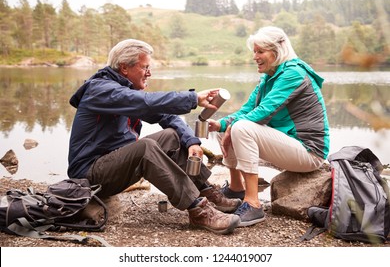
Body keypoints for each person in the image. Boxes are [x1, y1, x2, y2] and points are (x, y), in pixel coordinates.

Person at [67, 39, 241, 235]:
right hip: (89, 174)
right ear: (124, 67)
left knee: (172, 135)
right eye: (145, 67)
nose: (149, 73)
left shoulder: (124, 91)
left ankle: (206, 191)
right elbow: (147, 102)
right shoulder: (101, 90)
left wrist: (191, 141)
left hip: (116, 164)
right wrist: (193, 99)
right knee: (145, 147)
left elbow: (165, 115)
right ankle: (198, 210)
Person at [208, 26, 330, 227]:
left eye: (260, 51)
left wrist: (233, 126)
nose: (255, 57)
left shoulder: (294, 74)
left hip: (310, 152)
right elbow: (246, 110)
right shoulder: (268, 78)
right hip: (290, 145)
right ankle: (236, 188)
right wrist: (220, 124)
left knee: (240, 127)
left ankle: (253, 203)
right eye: (254, 51)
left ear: (277, 51)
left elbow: (265, 111)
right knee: (229, 126)